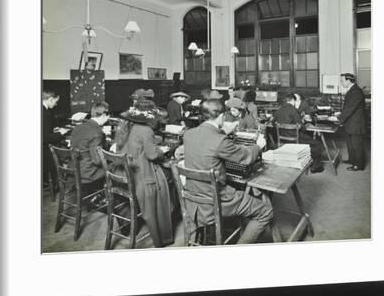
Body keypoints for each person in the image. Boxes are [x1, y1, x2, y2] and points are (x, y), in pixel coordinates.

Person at [183, 99, 273, 244]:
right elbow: (246, 157)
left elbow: (206, 141)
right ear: (222, 116)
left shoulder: (188, 134)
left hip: (192, 197)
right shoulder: (220, 141)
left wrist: (223, 131)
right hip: (217, 200)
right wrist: (258, 146)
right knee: (265, 211)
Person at [115, 100, 174, 247]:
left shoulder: (126, 126)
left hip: (123, 175)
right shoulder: (145, 130)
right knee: (168, 181)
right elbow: (152, 155)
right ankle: (163, 233)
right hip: (141, 177)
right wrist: (162, 150)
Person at [274, 93, 324, 173]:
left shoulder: (277, 111)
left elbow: (274, 124)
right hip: (295, 138)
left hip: (282, 139)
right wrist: (304, 123)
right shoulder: (293, 110)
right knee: (317, 144)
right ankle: (316, 167)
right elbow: (301, 127)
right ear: (293, 101)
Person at [331, 73, 367, 171]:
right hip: (351, 123)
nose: (341, 82)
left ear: (348, 80)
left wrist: (338, 119)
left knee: (356, 145)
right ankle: (352, 160)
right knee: (350, 144)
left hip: (356, 124)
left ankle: (358, 165)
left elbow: (350, 108)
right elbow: (348, 107)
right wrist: (340, 114)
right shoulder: (352, 90)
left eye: (342, 81)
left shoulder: (356, 91)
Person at [69, 102, 111, 185]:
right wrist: (110, 155)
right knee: (114, 168)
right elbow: (97, 161)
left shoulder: (77, 127)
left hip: (73, 168)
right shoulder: (97, 132)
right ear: (103, 115)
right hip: (87, 173)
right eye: (108, 117)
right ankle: (107, 195)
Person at [42, 91, 68, 187]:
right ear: (50, 99)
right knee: (59, 157)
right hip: (43, 152)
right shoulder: (45, 113)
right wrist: (61, 133)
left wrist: (53, 130)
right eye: (55, 102)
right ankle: (58, 185)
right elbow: (45, 138)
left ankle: (48, 181)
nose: (56, 104)